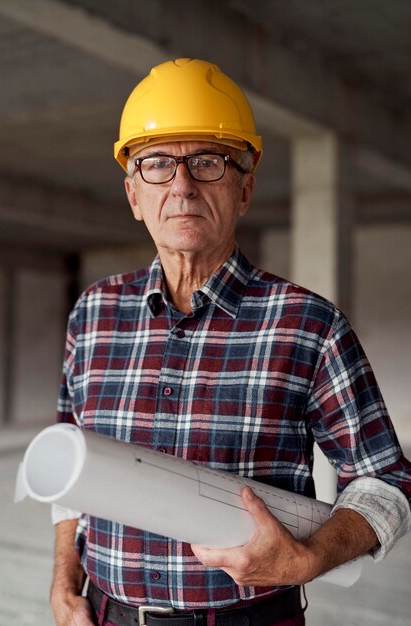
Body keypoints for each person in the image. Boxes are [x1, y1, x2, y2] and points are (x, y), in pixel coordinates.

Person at [50, 58, 411, 626]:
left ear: (245, 188)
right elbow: (70, 459)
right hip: (105, 615)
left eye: (208, 162)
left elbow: (385, 481)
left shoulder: (308, 325)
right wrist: (64, 583)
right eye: (158, 164)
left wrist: (308, 557)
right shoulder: (93, 314)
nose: (183, 185)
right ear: (133, 195)